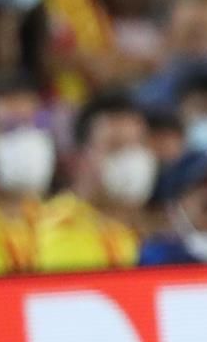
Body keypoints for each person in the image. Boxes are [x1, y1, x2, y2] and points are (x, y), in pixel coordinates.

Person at [30, 89, 153, 271]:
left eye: (136, 146)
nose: (130, 160)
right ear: (81, 159)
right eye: (115, 147)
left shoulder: (148, 227)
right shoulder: (61, 230)